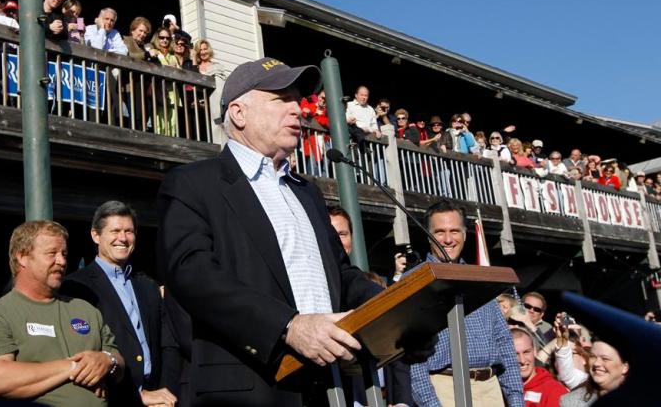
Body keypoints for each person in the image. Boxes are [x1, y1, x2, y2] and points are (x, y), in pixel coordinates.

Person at [157, 57, 390, 405]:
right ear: (239, 113)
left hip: (329, 385)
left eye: (298, 100)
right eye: (282, 99)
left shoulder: (306, 191)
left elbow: (341, 276)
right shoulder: (194, 184)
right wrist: (288, 327)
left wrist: (394, 311)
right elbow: (193, 275)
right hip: (253, 388)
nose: (299, 109)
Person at [0, 220, 125, 406]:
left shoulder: (86, 310)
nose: (62, 261)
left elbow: (119, 363)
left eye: (64, 254)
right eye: (52, 253)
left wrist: (107, 361)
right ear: (23, 257)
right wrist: (74, 367)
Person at [61, 201, 177, 407]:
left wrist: (165, 390)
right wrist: (136, 397)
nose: (122, 238)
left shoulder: (147, 286)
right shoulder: (76, 287)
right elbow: (83, 357)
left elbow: (167, 344)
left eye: (129, 231)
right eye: (115, 231)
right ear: (95, 235)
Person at [410, 200, 524, 407]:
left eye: (454, 231)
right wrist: (431, 404)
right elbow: (412, 356)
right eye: (439, 232)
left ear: (464, 234)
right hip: (444, 389)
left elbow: (503, 340)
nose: (447, 239)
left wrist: (516, 400)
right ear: (428, 236)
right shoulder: (414, 282)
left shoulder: (480, 279)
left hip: (490, 388)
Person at [559, 339, 629, 407]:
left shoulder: (637, 397)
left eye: (605, 359)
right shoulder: (571, 402)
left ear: (625, 367)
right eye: (593, 356)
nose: (596, 363)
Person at [511, 328, 567, 406]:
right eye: (515, 354)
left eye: (526, 352)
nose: (522, 360)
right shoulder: (499, 389)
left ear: (535, 351)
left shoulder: (554, 390)